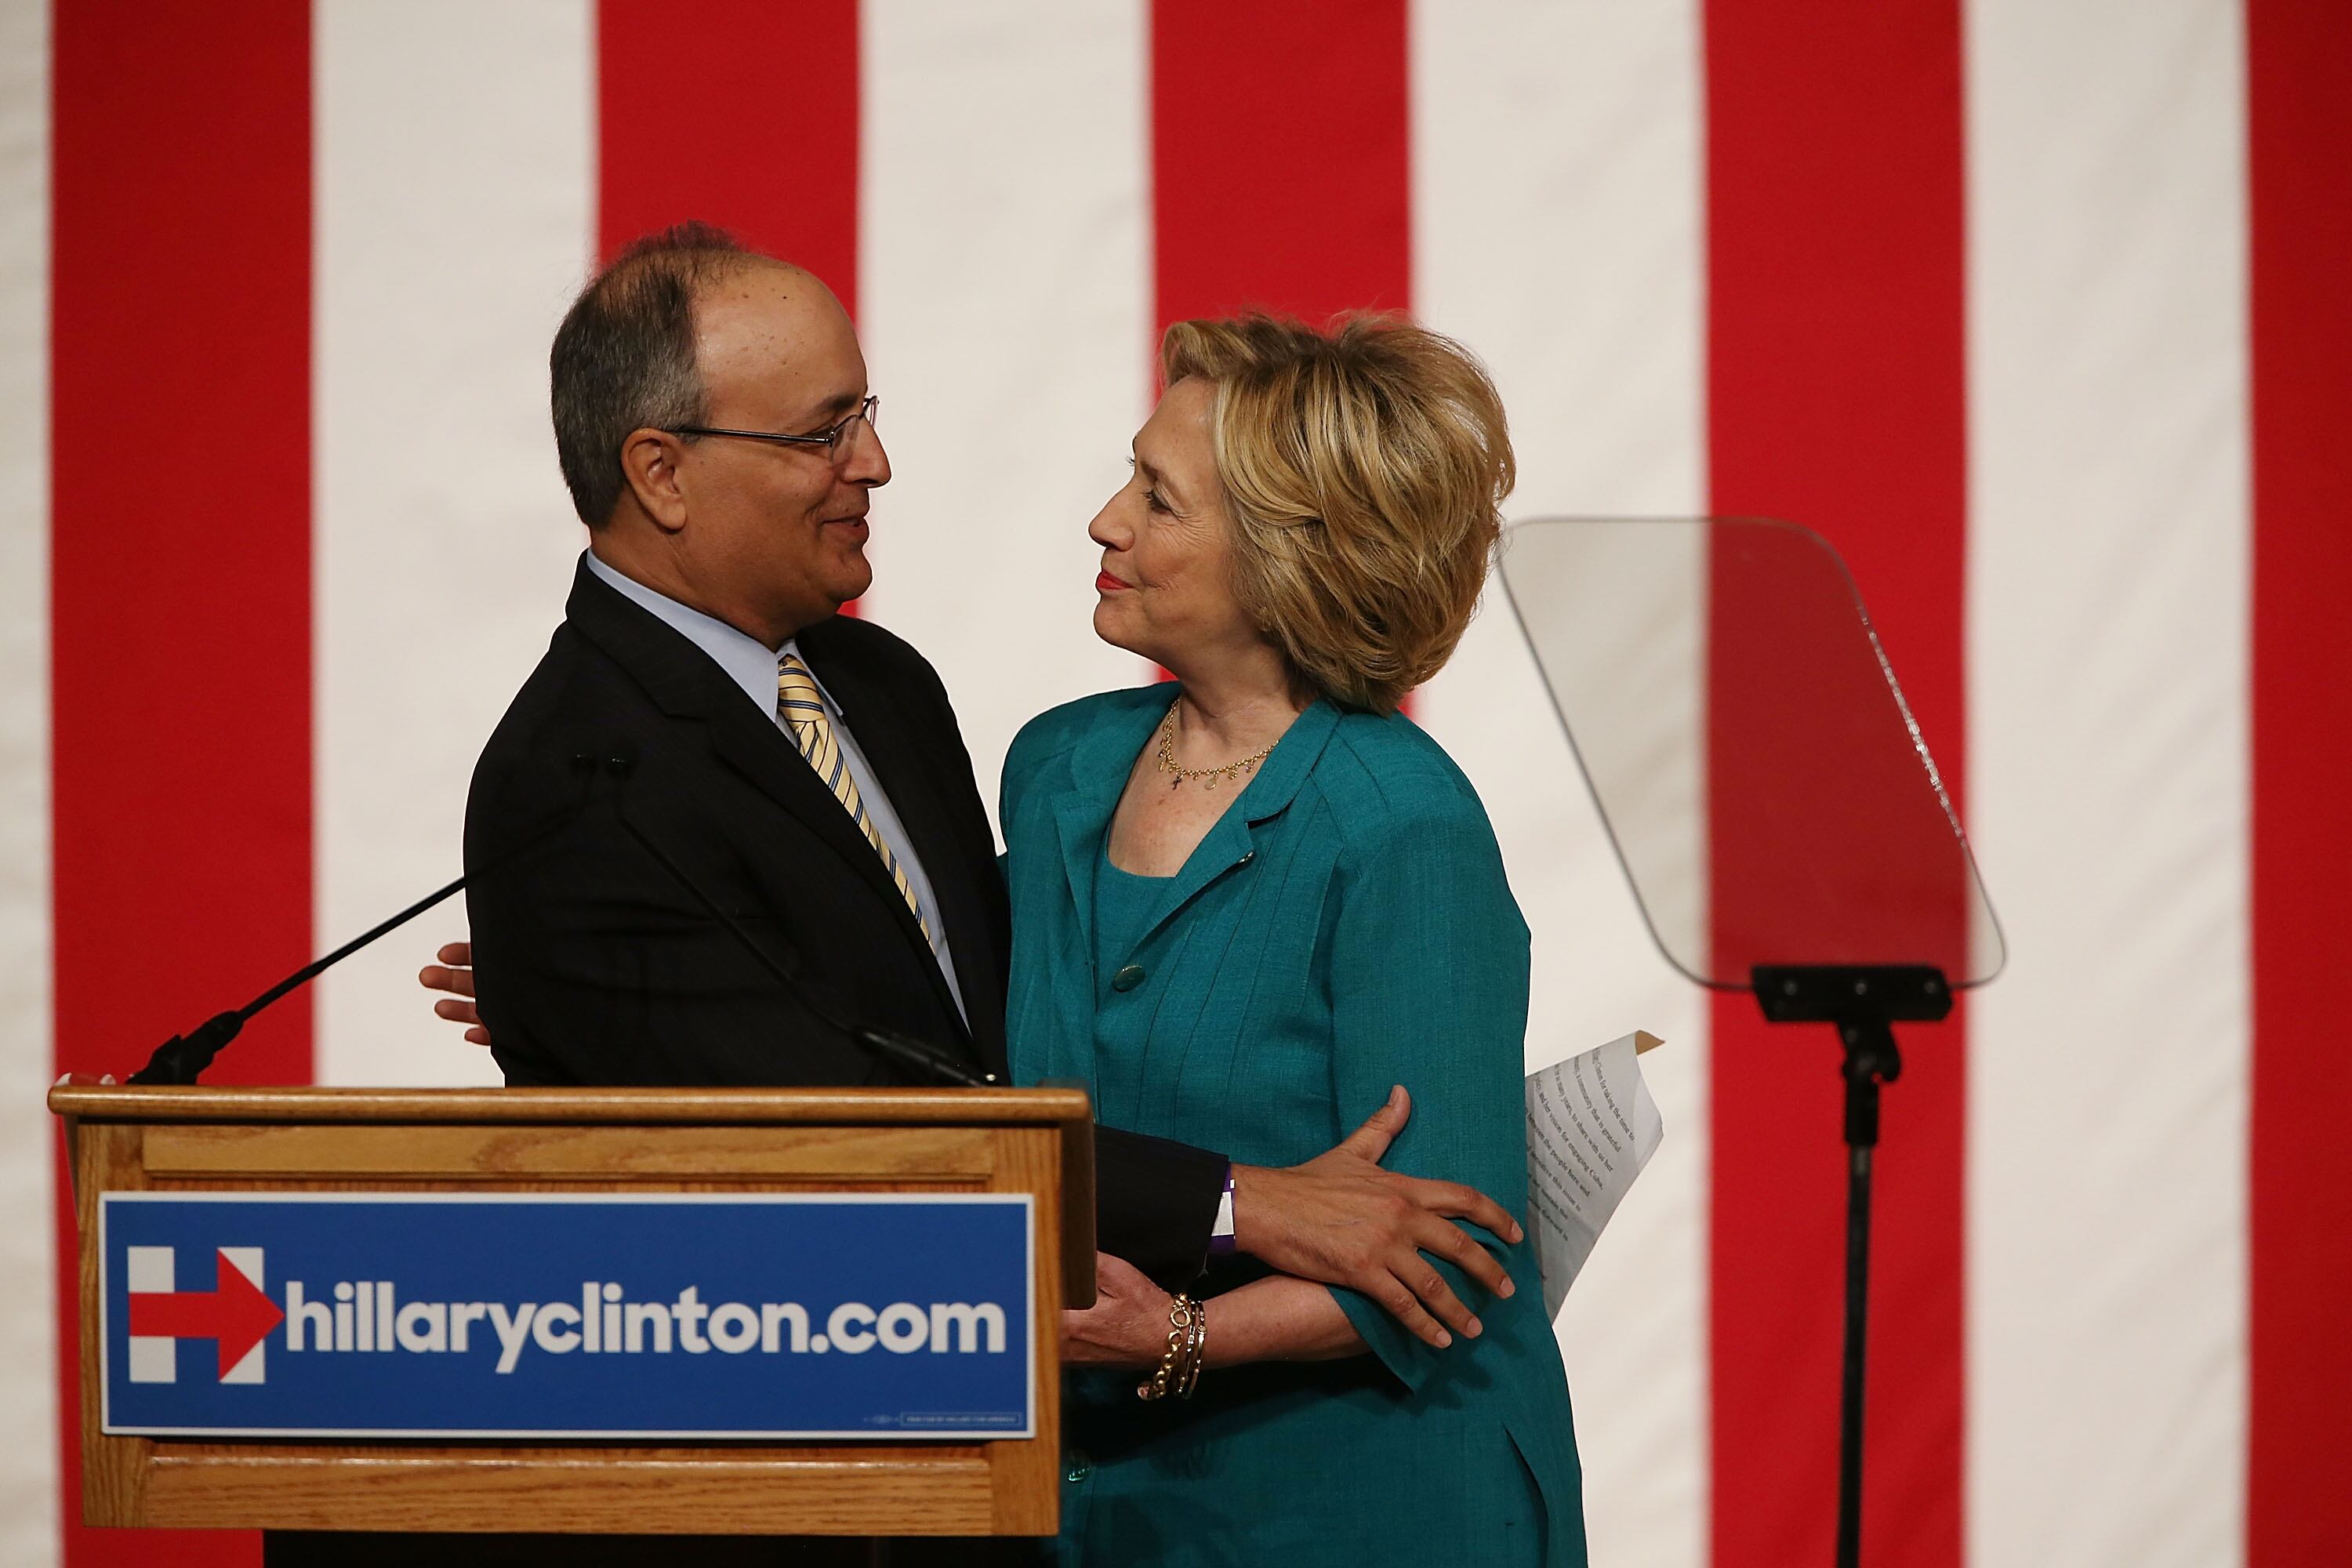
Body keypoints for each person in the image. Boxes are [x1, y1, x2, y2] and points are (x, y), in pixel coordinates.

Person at [448, 223, 1519, 1342]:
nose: (872, 463)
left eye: (864, 415)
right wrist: (1244, 1205)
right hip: (808, 1429)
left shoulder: (879, 682)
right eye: (823, 432)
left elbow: (962, 986)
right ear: (662, 473)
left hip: (1049, 1424)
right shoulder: (570, 786)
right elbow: (837, 1142)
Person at [1003, 315, 1584, 1565]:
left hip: (1365, 1503)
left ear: (1286, 560)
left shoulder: (1401, 824)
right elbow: (936, 1016)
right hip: (1099, 1505)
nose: (1106, 521)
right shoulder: (1058, 766)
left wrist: (1183, 1337)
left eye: (1156, 500)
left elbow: (1452, 1247)